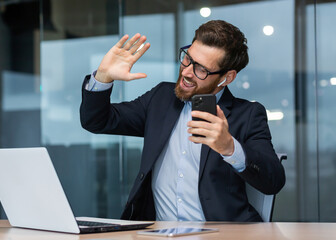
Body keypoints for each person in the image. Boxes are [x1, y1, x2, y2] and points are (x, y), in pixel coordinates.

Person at [80, 20, 285, 222]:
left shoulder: (247, 114)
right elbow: (97, 121)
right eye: (187, 58)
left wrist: (230, 148)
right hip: (158, 234)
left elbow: (273, 181)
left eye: (201, 69)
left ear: (227, 78)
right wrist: (103, 77)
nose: (186, 72)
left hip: (222, 235)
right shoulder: (161, 99)